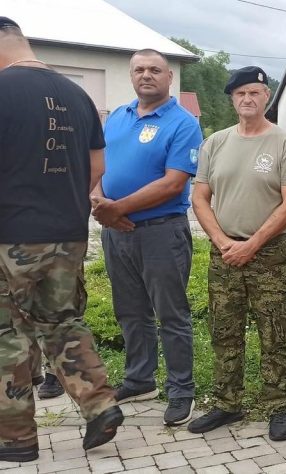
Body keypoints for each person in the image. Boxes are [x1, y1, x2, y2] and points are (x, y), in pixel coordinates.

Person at [0, 17, 123, 462]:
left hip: (9, 235)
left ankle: (15, 439)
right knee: (63, 322)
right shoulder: (77, 95)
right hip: (67, 235)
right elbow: (97, 168)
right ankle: (100, 405)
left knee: (7, 334)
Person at [188, 66, 286, 441]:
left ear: (266, 96)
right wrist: (223, 242)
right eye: (240, 94)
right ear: (232, 99)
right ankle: (227, 403)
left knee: (274, 333)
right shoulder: (215, 143)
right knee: (224, 331)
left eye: (254, 92)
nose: (247, 99)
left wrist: (252, 244)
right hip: (223, 252)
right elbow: (199, 198)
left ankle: (279, 406)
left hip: (268, 254)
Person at [90, 48, 203, 426]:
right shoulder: (117, 118)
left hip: (161, 232)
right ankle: (140, 380)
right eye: (139, 69)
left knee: (171, 314)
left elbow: (173, 183)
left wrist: (117, 208)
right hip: (116, 232)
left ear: (169, 77)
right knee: (130, 310)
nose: (146, 75)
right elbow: (99, 167)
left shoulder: (183, 123)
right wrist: (99, 200)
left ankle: (181, 390)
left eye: (155, 69)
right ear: (131, 75)